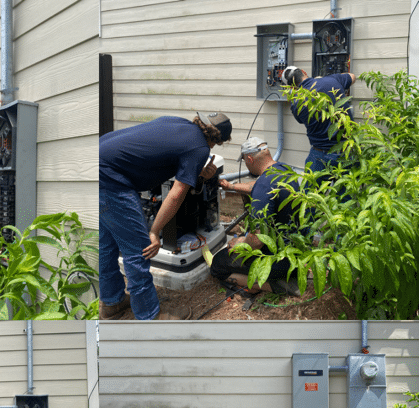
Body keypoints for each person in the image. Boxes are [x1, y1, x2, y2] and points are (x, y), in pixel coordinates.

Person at [100, 112, 232, 320]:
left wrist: (197, 172)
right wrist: (154, 231)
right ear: (218, 140)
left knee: (107, 246)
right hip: (112, 180)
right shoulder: (200, 148)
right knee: (139, 250)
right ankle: (150, 316)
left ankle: (111, 303)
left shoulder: (177, 122)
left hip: (99, 161)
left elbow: (160, 156)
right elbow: (177, 195)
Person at [214, 137, 303, 296]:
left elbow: (256, 241)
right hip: (296, 251)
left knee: (218, 264)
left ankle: (279, 285)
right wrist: (232, 186)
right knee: (242, 237)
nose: (246, 165)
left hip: (278, 260)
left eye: (245, 161)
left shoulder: (263, 187)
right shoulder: (284, 170)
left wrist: (240, 243)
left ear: (249, 159)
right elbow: (255, 185)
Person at [281, 66, 356, 172]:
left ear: (291, 87)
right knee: (347, 188)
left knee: (311, 188)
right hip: (346, 150)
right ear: (303, 72)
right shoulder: (331, 80)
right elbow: (352, 77)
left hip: (319, 154)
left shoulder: (296, 103)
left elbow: (301, 120)